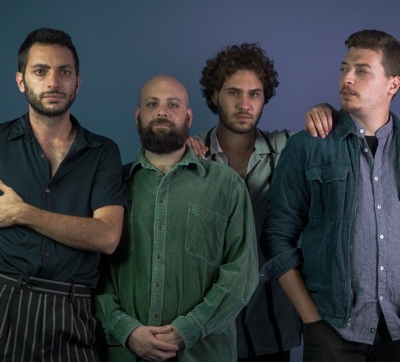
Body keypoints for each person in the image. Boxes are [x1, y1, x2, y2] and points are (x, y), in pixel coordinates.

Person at [95, 74, 258, 361]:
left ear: (188, 117)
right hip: (124, 354)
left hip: (205, 354)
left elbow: (241, 275)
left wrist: (188, 329)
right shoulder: (111, 186)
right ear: (137, 116)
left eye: (173, 104)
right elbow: (92, 272)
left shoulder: (227, 186)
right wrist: (126, 330)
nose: (162, 112)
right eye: (152, 104)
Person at [260, 29, 400, 362]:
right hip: (333, 331)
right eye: (344, 68)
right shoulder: (307, 146)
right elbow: (276, 235)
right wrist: (311, 318)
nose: (347, 78)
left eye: (362, 71)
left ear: (393, 84)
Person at [188, 42, 334, 362]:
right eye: (234, 93)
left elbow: (335, 141)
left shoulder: (288, 148)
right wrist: (177, 147)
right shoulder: (193, 157)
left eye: (254, 94)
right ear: (214, 96)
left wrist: (326, 110)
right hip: (207, 329)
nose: (245, 104)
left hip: (271, 325)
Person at [0, 27, 126, 361]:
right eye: (40, 71)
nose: (53, 82)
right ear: (21, 81)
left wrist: (21, 213)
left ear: (77, 82)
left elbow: (107, 236)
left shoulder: (102, 153)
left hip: (74, 311)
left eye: (64, 72)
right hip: (5, 299)